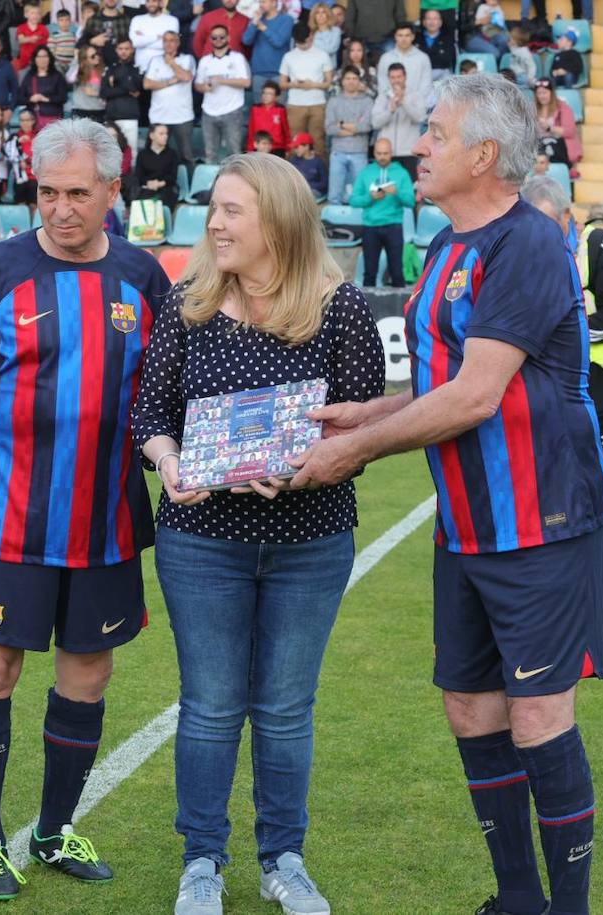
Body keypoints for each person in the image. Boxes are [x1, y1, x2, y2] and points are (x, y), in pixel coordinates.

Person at [292, 73, 603, 915]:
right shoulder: (445, 247)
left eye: (435, 134)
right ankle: (517, 899)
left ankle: (567, 908)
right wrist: (371, 410)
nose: (415, 146)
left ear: (483, 155)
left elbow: (477, 396)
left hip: (539, 523)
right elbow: (450, 382)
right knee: (471, 707)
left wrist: (356, 449)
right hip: (468, 527)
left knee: (540, 717)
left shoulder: (529, 245)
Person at [131, 151, 384, 915]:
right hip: (202, 537)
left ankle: (284, 858)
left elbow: (365, 431)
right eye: (214, 207)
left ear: (277, 219)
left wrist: (312, 467)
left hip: (309, 541)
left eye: (233, 209)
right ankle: (201, 860)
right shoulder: (188, 303)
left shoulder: (341, 310)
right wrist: (170, 459)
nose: (215, 221)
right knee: (209, 704)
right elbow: (148, 415)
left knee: (284, 707)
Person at [0, 116, 171, 902]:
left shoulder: (143, 279)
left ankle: (55, 827)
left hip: (107, 522)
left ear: (111, 190)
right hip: (5, 517)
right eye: (47, 193)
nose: (60, 209)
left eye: (77, 193)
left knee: (88, 676)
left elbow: (163, 395)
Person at [522, 177, 603, 511]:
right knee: (553, 511)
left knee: (600, 508)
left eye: (548, 223)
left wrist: (566, 335)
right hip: (548, 400)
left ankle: (602, 565)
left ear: (568, 217)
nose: (541, 233)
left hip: (600, 399)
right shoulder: (529, 253)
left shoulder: (598, 244)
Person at [349, 136, 413, 286]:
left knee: (397, 272)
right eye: (379, 153)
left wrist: (396, 192)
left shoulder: (402, 173)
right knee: (369, 272)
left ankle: (399, 309)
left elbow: (410, 202)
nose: (382, 157)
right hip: (370, 226)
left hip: (394, 225)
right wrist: (370, 197)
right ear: (374, 153)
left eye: (385, 153)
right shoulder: (366, 172)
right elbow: (353, 200)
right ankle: (366, 308)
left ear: (391, 153)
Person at [195, 22, 249, 166]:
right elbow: (197, 85)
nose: (218, 40)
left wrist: (222, 80)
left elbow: (246, 82)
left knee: (234, 153)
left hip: (232, 110)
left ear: (228, 38)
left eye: (221, 37)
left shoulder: (237, 58)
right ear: (210, 40)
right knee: (210, 153)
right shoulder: (205, 61)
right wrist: (204, 87)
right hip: (209, 111)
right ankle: (212, 186)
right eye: (214, 38)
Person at [142, 30, 196, 165]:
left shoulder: (187, 59)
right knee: (157, 154)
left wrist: (171, 63)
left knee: (186, 155)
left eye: (172, 40)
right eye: (165, 40)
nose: (168, 44)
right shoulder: (155, 60)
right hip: (159, 116)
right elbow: (147, 84)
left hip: (182, 117)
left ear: (178, 43)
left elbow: (186, 77)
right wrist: (170, 81)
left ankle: (190, 185)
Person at [279, 21, 331, 157]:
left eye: (304, 41)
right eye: (299, 42)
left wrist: (312, 85)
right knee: (294, 143)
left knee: (318, 142)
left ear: (311, 36)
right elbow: (282, 83)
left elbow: (328, 82)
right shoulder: (288, 56)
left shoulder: (322, 55)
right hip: (295, 104)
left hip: (317, 104)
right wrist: (294, 84)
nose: (302, 45)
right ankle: (292, 176)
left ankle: (321, 175)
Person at [325, 66, 373, 205]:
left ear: (359, 81)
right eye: (348, 78)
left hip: (359, 152)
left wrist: (340, 124)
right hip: (337, 153)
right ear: (342, 81)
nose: (351, 81)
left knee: (359, 194)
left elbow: (367, 126)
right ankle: (332, 224)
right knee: (334, 195)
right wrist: (354, 128)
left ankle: (356, 224)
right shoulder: (334, 101)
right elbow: (329, 128)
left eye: (354, 78)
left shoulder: (367, 101)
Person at [371, 62, 424, 179]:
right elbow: (375, 123)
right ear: (389, 78)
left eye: (399, 77)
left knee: (408, 190)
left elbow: (420, 117)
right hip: (387, 154)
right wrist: (390, 110)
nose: (396, 80)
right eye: (393, 77)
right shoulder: (383, 96)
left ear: (405, 77)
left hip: (409, 152)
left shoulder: (415, 95)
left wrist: (404, 102)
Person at [242, 0, 292, 100]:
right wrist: (254, 23)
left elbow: (279, 42)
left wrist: (263, 27)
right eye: (260, 2)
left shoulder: (286, 19)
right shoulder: (257, 20)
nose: (261, 5)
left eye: (264, 2)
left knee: (279, 109)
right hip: (258, 73)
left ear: (274, 3)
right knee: (259, 109)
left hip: (279, 73)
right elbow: (246, 41)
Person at [100, 36, 141, 156]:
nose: (123, 51)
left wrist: (116, 83)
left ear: (132, 49)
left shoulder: (137, 68)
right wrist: (126, 89)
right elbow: (104, 93)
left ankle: (130, 176)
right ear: (116, 50)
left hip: (130, 116)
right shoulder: (110, 69)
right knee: (110, 153)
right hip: (112, 117)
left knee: (131, 152)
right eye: (120, 48)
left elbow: (136, 88)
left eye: (127, 48)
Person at [377, 21, 432, 106]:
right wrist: (395, 99)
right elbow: (382, 85)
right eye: (400, 35)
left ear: (413, 37)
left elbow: (425, 86)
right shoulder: (385, 58)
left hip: (416, 108)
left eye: (407, 35)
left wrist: (410, 102)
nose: (404, 39)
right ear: (395, 37)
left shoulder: (423, 58)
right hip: (391, 106)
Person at [532, 79, 580, 169]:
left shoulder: (563, 108)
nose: (542, 96)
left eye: (545, 93)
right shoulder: (532, 109)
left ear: (551, 93)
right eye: (539, 93)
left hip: (557, 146)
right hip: (538, 145)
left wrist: (550, 128)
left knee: (549, 146)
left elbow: (570, 132)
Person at [18, 44, 68, 129]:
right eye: (39, 56)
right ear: (35, 59)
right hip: (33, 121)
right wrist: (31, 99)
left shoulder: (57, 76)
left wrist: (45, 98)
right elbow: (19, 98)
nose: (42, 59)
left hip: (53, 120)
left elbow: (63, 97)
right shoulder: (29, 76)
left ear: (49, 58)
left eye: (45, 56)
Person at [133, 121, 180, 206]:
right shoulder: (142, 154)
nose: (165, 136)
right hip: (148, 187)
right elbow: (139, 176)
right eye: (161, 134)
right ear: (152, 136)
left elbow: (173, 177)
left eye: (166, 133)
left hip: (166, 188)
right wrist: (149, 183)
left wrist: (159, 184)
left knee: (162, 200)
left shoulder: (172, 154)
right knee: (141, 201)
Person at [129, 0, 177, 71]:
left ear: (161, 3)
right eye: (148, 1)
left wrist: (143, 39)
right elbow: (135, 42)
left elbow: (170, 45)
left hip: (164, 66)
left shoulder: (172, 20)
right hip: (140, 66)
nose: (150, 4)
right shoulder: (137, 19)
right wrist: (157, 37)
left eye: (154, 1)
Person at [247, 80, 289, 154]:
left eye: (269, 94)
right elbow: (251, 130)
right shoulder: (255, 108)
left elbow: (286, 130)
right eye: (264, 93)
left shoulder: (280, 109)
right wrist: (250, 148)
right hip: (259, 147)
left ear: (276, 97)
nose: (265, 96)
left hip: (277, 147)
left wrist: (287, 148)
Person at [417, 7, 456, 81]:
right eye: (429, 19)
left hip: (441, 73)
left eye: (435, 19)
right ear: (424, 22)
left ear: (440, 22)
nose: (432, 22)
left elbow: (446, 60)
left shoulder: (448, 38)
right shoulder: (416, 38)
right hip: (420, 74)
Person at [289, 131, 326, 197]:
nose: (295, 150)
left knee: (305, 196)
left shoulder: (318, 162)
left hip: (313, 191)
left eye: (297, 147)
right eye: (294, 147)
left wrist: (307, 185)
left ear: (307, 146)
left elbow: (324, 183)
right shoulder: (293, 160)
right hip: (297, 191)